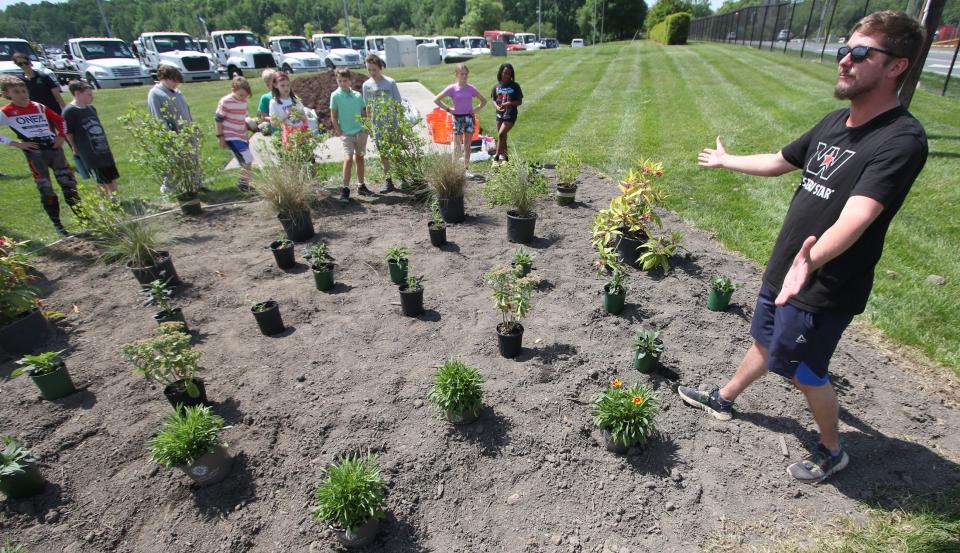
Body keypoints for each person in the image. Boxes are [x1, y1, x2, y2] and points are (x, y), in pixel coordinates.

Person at [678, 11, 928, 484]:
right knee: (764, 338)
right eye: (843, 50)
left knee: (805, 371)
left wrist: (809, 262)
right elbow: (780, 160)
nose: (844, 61)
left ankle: (833, 450)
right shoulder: (835, 122)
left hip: (825, 283)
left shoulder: (901, 140)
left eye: (860, 53)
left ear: (896, 66)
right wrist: (727, 160)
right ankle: (725, 397)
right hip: (787, 269)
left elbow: (859, 215)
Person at [0, 76, 78, 237]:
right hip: (34, 151)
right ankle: (58, 225)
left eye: (24, 91)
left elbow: (59, 119)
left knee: (68, 182)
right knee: (46, 188)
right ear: (7, 94)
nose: (22, 95)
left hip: (53, 147)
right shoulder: (6, 112)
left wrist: (61, 136)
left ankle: (83, 216)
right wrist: (16, 143)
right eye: (16, 92)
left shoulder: (39, 107)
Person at [147, 65, 199, 194]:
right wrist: (169, 135)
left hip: (187, 132)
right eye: (174, 81)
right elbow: (158, 118)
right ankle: (168, 190)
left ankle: (195, 186)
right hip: (173, 136)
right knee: (175, 163)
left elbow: (186, 111)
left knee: (192, 159)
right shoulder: (155, 94)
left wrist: (192, 127)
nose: (176, 84)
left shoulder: (177, 92)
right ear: (165, 78)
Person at [62, 80, 119, 198]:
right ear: (77, 93)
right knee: (100, 179)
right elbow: (69, 133)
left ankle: (115, 199)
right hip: (89, 152)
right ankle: (105, 201)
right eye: (88, 94)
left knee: (112, 175)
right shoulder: (69, 112)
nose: (91, 97)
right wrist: (74, 147)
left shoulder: (91, 109)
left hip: (103, 148)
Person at [434, 63, 487, 178]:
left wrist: (476, 109)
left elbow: (483, 101)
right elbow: (436, 100)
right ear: (457, 74)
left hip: (469, 118)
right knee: (457, 145)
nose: (464, 76)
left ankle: (465, 169)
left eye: (466, 74)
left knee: (467, 145)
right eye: (462, 74)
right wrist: (448, 109)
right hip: (457, 118)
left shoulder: (471, 88)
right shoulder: (452, 88)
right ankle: (454, 170)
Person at [361, 53, 402, 193]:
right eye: (369, 70)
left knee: (396, 151)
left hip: (392, 123)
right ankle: (388, 181)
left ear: (380, 68)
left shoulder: (390, 83)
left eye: (374, 69)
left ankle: (404, 178)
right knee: (383, 153)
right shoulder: (366, 86)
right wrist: (369, 125)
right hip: (378, 125)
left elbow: (398, 103)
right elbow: (367, 107)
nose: (372, 73)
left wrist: (401, 123)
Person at [330, 68, 370, 203]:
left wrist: (366, 127)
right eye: (339, 81)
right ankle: (345, 189)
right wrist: (339, 132)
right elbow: (333, 116)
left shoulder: (357, 96)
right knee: (348, 159)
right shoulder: (335, 96)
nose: (342, 83)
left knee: (360, 157)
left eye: (345, 81)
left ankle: (361, 185)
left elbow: (364, 112)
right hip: (346, 133)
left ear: (350, 80)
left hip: (360, 132)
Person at [216, 76, 254, 192]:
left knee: (247, 160)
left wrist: (246, 134)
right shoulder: (225, 101)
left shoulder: (244, 102)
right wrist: (220, 136)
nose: (243, 98)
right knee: (247, 159)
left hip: (241, 135)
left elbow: (243, 118)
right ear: (233, 90)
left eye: (245, 95)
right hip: (231, 135)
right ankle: (243, 185)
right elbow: (218, 119)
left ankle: (244, 183)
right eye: (241, 95)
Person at [491, 63, 522, 167]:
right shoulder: (496, 86)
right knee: (503, 136)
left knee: (501, 134)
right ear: (501, 73)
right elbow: (493, 100)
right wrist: (497, 106)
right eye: (505, 73)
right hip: (499, 114)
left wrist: (509, 103)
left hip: (510, 114)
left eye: (509, 73)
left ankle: (496, 157)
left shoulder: (515, 86)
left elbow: (519, 101)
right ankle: (506, 159)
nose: (507, 75)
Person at [268, 71, 309, 147]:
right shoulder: (274, 102)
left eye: (287, 85)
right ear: (275, 85)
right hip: (289, 135)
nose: (286, 88)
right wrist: (287, 115)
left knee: (308, 157)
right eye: (282, 86)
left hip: (302, 132)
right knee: (294, 157)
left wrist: (297, 114)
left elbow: (305, 118)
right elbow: (273, 124)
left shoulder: (294, 98)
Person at [257, 68, 277, 134]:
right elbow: (263, 117)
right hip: (272, 122)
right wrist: (274, 119)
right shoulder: (265, 98)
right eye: (274, 82)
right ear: (268, 85)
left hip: (284, 120)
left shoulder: (284, 95)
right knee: (263, 127)